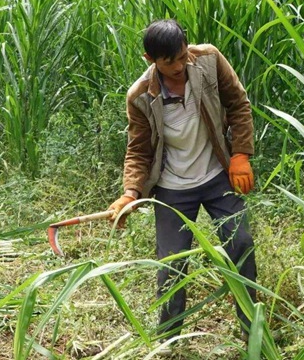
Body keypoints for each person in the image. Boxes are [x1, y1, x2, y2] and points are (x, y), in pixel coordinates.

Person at [108, 19, 257, 341]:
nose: (179, 66)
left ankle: (251, 328)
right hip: (173, 189)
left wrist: (241, 154)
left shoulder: (208, 60)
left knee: (241, 245)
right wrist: (130, 193)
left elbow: (238, 104)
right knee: (171, 267)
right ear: (151, 60)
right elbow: (138, 150)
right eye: (169, 62)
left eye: (181, 55)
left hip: (218, 175)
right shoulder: (139, 96)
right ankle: (169, 339)